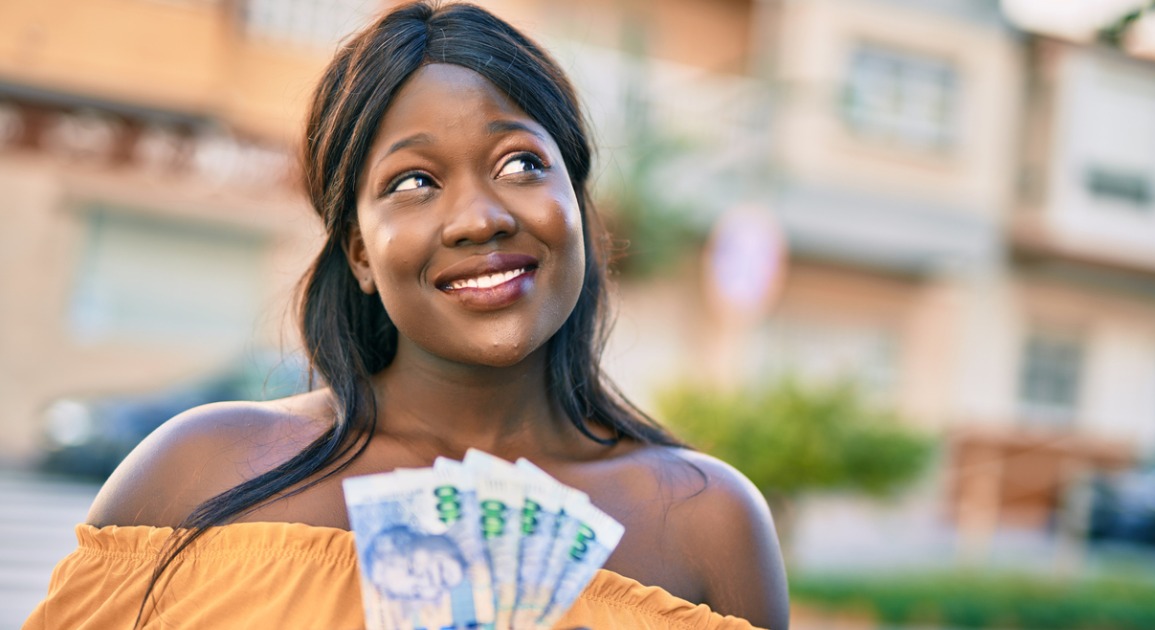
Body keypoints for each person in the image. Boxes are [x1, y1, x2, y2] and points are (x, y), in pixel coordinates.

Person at [24, 2, 790, 628]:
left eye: (521, 163)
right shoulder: (199, 472)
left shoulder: (706, 523)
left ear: (578, 208)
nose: (478, 218)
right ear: (358, 250)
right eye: (414, 181)